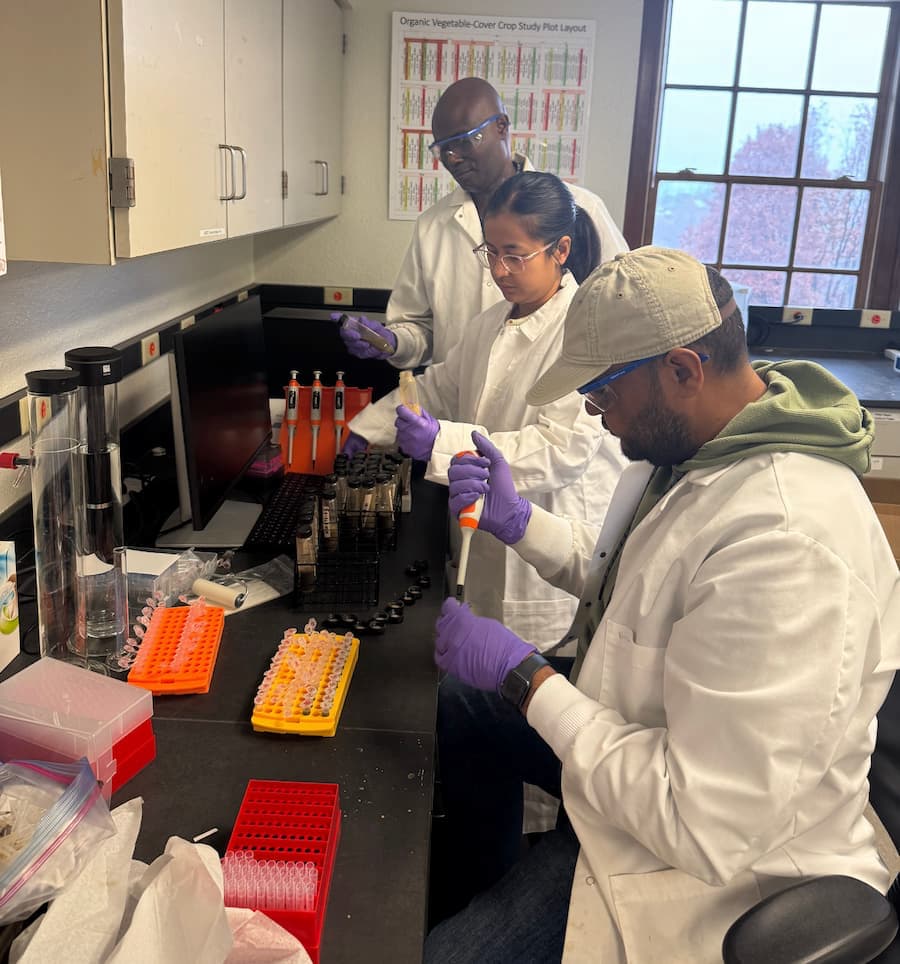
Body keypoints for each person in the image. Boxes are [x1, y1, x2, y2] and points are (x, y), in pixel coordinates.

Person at [425, 246, 900, 963]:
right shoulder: (700, 452)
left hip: (700, 862)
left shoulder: (788, 540)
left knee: (442, 959)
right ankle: (475, 873)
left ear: (682, 369)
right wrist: (520, 523)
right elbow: (638, 585)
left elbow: (697, 821)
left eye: (604, 392)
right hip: (635, 749)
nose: (594, 411)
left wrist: (527, 678)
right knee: (455, 704)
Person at [344, 171, 627, 651]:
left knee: (526, 685)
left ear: (560, 250)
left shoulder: (585, 332)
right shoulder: (490, 322)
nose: (498, 270)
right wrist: (367, 428)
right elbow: (438, 387)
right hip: (482, 544)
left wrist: (439, 442)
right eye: (491, 252)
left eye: (514, 255)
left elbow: (561, 450)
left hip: (547, 551)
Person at [339, 77, 628, 369]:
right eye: (443, 149)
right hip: (454, 401)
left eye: (464, 141)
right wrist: (393, 341)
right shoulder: (433, 226)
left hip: (546, 402)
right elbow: (420, 327)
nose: (453, 158)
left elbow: (620, 309)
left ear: (501, 127)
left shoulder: (579, 208)